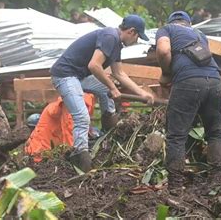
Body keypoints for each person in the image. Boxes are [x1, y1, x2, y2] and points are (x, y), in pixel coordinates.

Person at [49, 14, 155, 172]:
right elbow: (94, 66)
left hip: (79, 76)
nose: (137, 41)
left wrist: (142, 93)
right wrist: (113, 88)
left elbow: (119, 73)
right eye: (138, 37)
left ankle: (110, 131)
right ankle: (81, 160)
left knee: (105, 89)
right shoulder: (110, 36)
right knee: (82, 117)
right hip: (65, 75)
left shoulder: (116, 43)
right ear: (131, 31)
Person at [156, 11, 221, 194]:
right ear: (188, 23)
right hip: (216, 82)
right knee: (215, 133)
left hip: (188, 82)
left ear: (172, 22)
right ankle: (216, 182)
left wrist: (166, 73)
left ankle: (176, 188)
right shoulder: (200, 35)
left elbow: (163, 50)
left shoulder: (166, 29)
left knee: (176, 136)